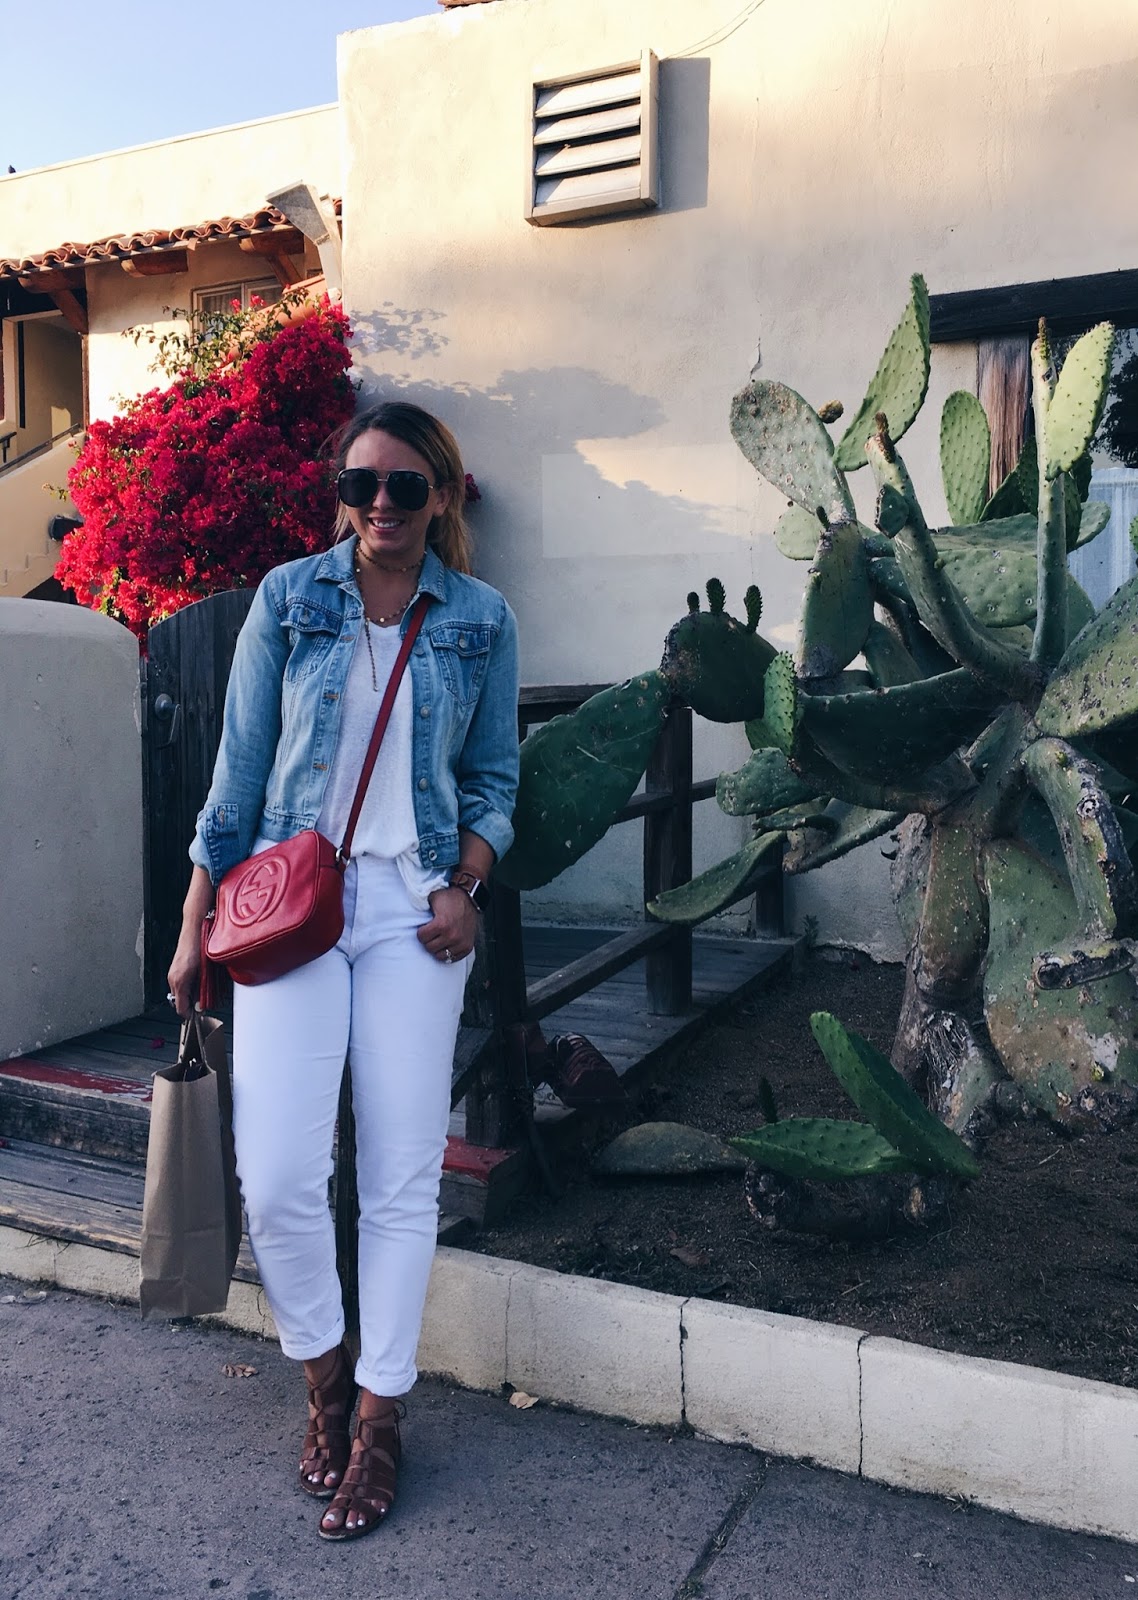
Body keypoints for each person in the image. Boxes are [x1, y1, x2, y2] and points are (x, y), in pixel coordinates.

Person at [167, 400, 520, 1541]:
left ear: (441, 496)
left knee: (401, 1175)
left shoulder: (481, 619)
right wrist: (195, 920)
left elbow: (495, 778)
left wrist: (468, 882)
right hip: (292, 906)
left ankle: (378, 1418)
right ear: (341, 494)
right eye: (361, 484)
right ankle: (322, 1375)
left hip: (415, 913)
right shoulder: (289, 598)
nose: (380, 504)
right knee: (277, 1175)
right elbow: (236, 776)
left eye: (405, 486)